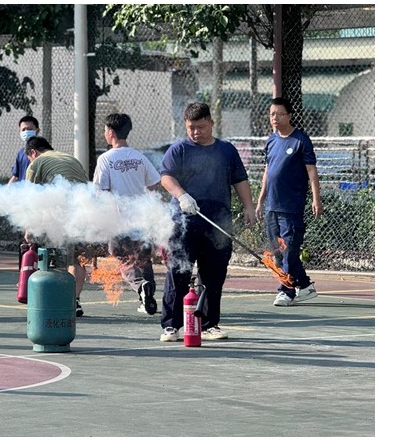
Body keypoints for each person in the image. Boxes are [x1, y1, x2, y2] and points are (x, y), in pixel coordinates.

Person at [158, 101, 255, 343]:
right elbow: (166, 177)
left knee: (213, 274)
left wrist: (249, 206)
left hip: (217, 222)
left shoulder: (226, 151)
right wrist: (182, 195)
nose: (195, 132)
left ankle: (210, 324)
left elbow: (240, 179)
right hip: (184, 222)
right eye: (191, 127)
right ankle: (171, 325)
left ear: (211, 123)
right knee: (178, 271)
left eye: (200, 127)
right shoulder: (178, 149)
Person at [92, 112, 162, 315]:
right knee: (143, 259)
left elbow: (100, 191)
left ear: (111, 132)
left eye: (105, 130)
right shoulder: (139, 157)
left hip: (119, 220)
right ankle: (147, 294)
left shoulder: (105, 159)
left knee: (123, 259)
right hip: (142, 218)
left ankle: (140, 286)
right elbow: (154, 182)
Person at [258, 97, 321, 306]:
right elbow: (268, 172)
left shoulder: (301, 140)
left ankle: (287, 290)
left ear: (289, 116)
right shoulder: (271, 140)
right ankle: (304, 285)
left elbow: (311, 171)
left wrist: (316, 199)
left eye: (279, 114)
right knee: (278, 253)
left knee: (289, 250)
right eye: (272, 114)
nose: (275, 118)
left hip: (291, 208)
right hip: (271, 207)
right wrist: (260, 201)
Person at [24, 136, 92, 315]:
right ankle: (74, 301)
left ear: (33, 152)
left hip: (58, 210)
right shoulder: (70, 159)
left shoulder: (36, 163)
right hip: (82, 209)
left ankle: (52, 297)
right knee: (76, 258)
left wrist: (29, 227)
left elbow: (30, 197)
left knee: (51, 255)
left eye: (29, 157)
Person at [7, 114, 40, 183]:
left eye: (29, 129)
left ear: (37, 130)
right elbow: (15, 176)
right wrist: (7, 190)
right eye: (23, 129)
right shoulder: (21, 152)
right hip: (23, 191)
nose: (26, 132)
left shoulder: (43, 151)